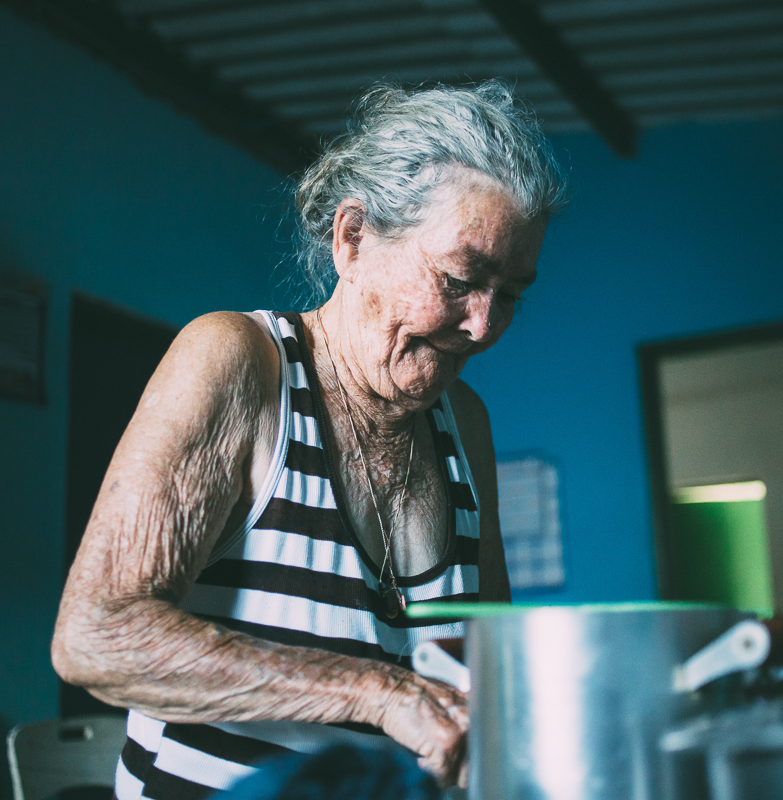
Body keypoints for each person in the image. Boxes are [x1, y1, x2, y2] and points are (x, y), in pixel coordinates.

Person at [51, 80, 568, 798]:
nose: (483, 326)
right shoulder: (238, 363)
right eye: (459, 278)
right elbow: (95, 636)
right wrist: (382, 694)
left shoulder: (464, 422)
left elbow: (490, 666)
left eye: (509, 293)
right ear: (353, 238)